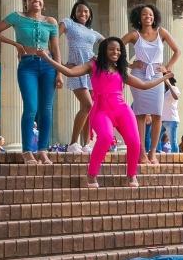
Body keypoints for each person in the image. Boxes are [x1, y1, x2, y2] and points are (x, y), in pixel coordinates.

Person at [36, 38, 171, 188]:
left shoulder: (121, 70)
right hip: (101, 110)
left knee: (135, 142)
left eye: (119, 50)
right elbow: (69, 72)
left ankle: (131, 175)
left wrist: (164, 78)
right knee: (105, 137)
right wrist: (47, 58)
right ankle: (91, 175)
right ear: (104, 51)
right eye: (112, 49)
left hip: (122, 109)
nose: (116, 52)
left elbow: (144, 85)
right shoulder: (92, 65)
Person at [0, 0, 61, 165]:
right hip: (27, 66)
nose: (36, 0)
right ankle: (27, 151)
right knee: (31, 107)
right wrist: (16, 45)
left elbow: (55, 49)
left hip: (48, 66)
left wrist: (59, 72)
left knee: (47, 110)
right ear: (26, 3)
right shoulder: (17, 17)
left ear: (43, 4)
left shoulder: (51, 22)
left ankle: (43, 150)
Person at [122, 4, 179, 167]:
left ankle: (153, 152)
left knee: (157, 115)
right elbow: (116, 46)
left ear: (155, 17)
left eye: (151, 14)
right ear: (139, 17)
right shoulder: (134, 35)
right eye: (145, 14)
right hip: (139, 75)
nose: (148, 17)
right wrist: (129, 65)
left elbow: (177, 51)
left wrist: (166, 68)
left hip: (157, 74)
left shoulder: (161, 32)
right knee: (140, 115)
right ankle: (141, 152)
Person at [59, 0, 105, 154]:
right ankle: (72, 143)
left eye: (86, 11)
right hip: (76, 69)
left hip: (91, 71)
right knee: (88, 105)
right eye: (79, 11)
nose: (83, 14)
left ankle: (86, 145)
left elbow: (109, 44)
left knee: (88, 109)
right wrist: (62, 64)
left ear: (90, 14)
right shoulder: (69, 23)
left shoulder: (93, 32)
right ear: (75, 12)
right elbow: (53, 37)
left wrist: (100, 56)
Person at [161, 77, 181, 154]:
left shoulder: (174, 88)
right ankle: (158, 153)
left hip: (172, 120)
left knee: (173, 141)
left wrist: (169, 84)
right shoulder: (164, 91)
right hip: (162, 120)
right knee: (155, 139)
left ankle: (176, 159)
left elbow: (176, 97)